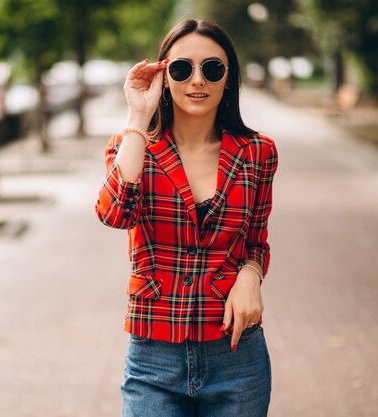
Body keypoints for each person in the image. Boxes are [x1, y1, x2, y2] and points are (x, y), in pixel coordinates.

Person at [95, 19, 279, 417]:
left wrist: (250, 274)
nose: (198, 80)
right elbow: (113, 214)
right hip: (153, 360)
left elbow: (256, 241)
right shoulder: (131, 146)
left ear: (229, 78)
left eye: (212, 68)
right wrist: (138, 118)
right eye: (182, 68)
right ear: (164, 74)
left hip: (236, 355)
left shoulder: (257, 152)